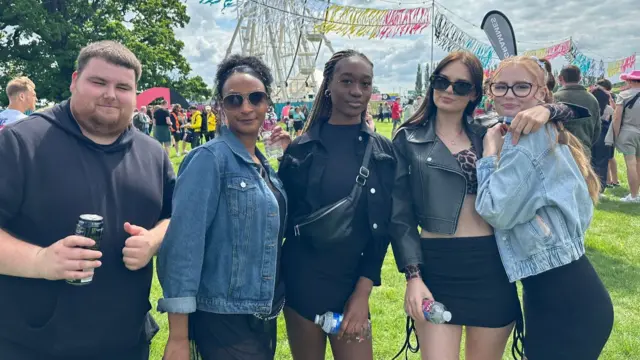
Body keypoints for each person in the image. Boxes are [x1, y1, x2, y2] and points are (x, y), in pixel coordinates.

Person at [390, 51, 579, 360]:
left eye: (461, 86)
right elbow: (399, 216)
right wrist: (413, 276)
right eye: (441, 81)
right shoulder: (407, 139)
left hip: (492, 265)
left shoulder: (492, 133)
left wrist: (547, 110)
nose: (449, 90)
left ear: (475, 93)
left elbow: (576, 112)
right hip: (438, 268)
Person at [0, 40, 174, 360]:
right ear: (75, 81)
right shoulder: (21, 143)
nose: (110, 93)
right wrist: (40, 260)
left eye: (123, 86)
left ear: (135, 95)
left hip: (126, 341)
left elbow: (174, 216)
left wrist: (153, 240)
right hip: (34, 344)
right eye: (98, 82)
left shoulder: (152, 155)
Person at [476, 55, 613, 359]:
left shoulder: (528, 139)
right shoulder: (538, 131)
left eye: (521, 87)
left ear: (541, 92)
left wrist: (488, 156)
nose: (510, 94)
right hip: (562, 294)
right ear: (491, 92)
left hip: (563, 303)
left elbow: (495, 209)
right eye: (501, 87)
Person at [158, 54, 291, 360]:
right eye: (234, 100)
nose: (246, 108)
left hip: (262, 314)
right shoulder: (210, 159)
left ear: (267, 103)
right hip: (222, 317)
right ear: (220, 106)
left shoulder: (261, 163)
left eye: (255, 98)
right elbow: (182, 247)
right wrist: (178, 336)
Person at [279, 50, 395, 360]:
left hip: (353, 281)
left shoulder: (382, 151)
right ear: (328, 86)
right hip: (302, 281)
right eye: (347, 81)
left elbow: (381, 231)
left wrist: (362, 294)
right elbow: (285, 221)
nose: (357, 91)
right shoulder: (300, 149)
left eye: (365, 83)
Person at [554, 65, 601, 157]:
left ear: (560, 78)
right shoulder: (592, 99)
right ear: (580, 78)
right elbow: (597, 129)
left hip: (560, 150)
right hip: (584, 149)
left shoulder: (555, 98)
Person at [612, 70, 640, 202]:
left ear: (630, 81)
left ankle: (634, 195)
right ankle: (637, 193)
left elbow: (617, 118)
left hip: (628, 132)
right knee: (639, 164)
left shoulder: (623, 95)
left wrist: (614, 135)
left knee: (631, 164)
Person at [590, 87, 615, 194]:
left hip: (592, 136)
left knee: (590, 162)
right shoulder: (609, 109)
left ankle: (590, 186)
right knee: (602, 164)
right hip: (604, 137)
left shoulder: (591, 107)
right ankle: (600, 188)